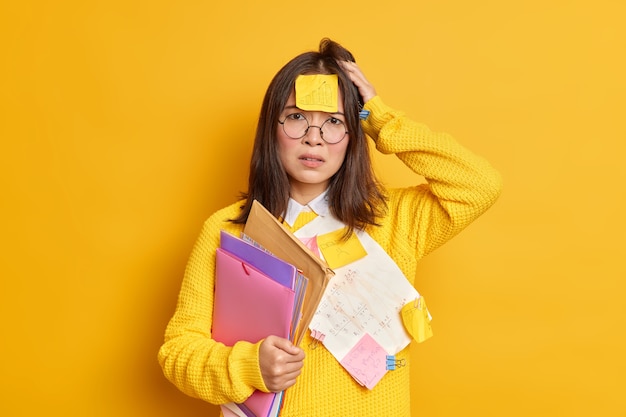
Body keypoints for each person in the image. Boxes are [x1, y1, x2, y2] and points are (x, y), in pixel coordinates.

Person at [158, 38, 503, 417]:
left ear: (353, 135)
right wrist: (248, 365)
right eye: (295, 117)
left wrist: (379, 117)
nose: (314, 136)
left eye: (334, 122)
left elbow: (479, 185)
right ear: (270, 128)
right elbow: (178, 351)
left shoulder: (394, 220)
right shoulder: (230, 229)